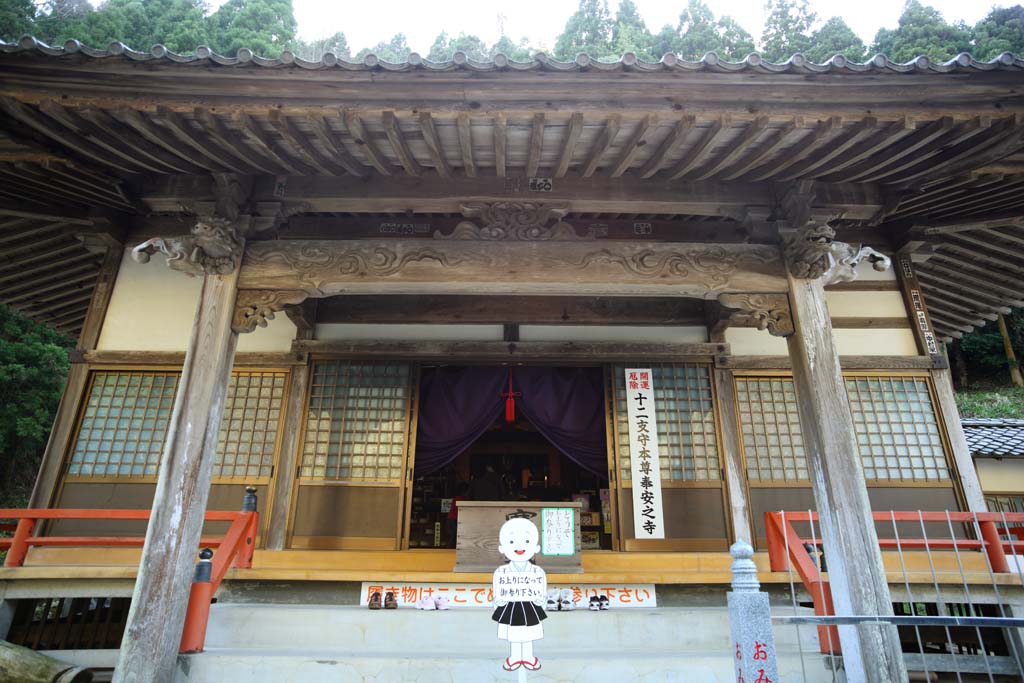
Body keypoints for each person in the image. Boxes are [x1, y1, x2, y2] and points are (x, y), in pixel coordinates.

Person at [491, 515, 547, 672]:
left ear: (536, 547)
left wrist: (540, 600)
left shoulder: (537, 572)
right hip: (510, 605)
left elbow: (542, 591)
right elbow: (497, 592)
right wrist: (499, 601)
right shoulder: (501, 572)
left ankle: (528, 657)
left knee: (528, 632)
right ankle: (515, 657)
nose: (520, 546)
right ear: (502, 548)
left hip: (530, 605)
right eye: (511, 542)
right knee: (514, 632)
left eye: (527, 541)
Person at [445, 482, 469, 548]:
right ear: (464, 491)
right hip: (453, 519)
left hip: (452, 519)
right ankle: (449, 550)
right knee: (453, 536)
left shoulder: (458, 498)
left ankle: (450, 549)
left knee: (453, 536)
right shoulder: (459, 498)